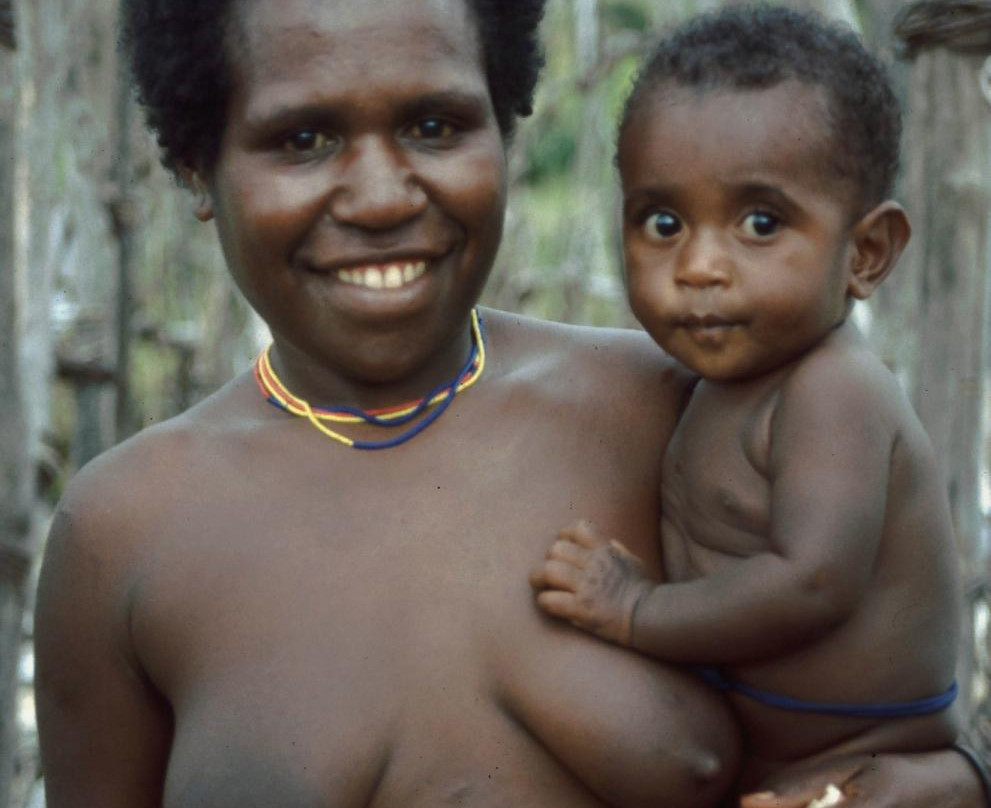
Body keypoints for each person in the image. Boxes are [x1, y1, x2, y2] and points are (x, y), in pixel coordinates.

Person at [31, 0, 988, 806]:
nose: (377, 196)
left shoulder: (683, 409)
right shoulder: (124, 534)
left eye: (435, 126)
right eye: (304, 139)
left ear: (504, 125)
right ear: (200, 166)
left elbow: (894, 703)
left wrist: (947, 782)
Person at [528, 4, 964, 797]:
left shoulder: (833, 390)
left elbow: (811, 581)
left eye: (759, 223)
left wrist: (635, 611)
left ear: (863, 253)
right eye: (661, 222)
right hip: (761, 755)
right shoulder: (706, 383)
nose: (697, 265)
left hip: (870, 759)